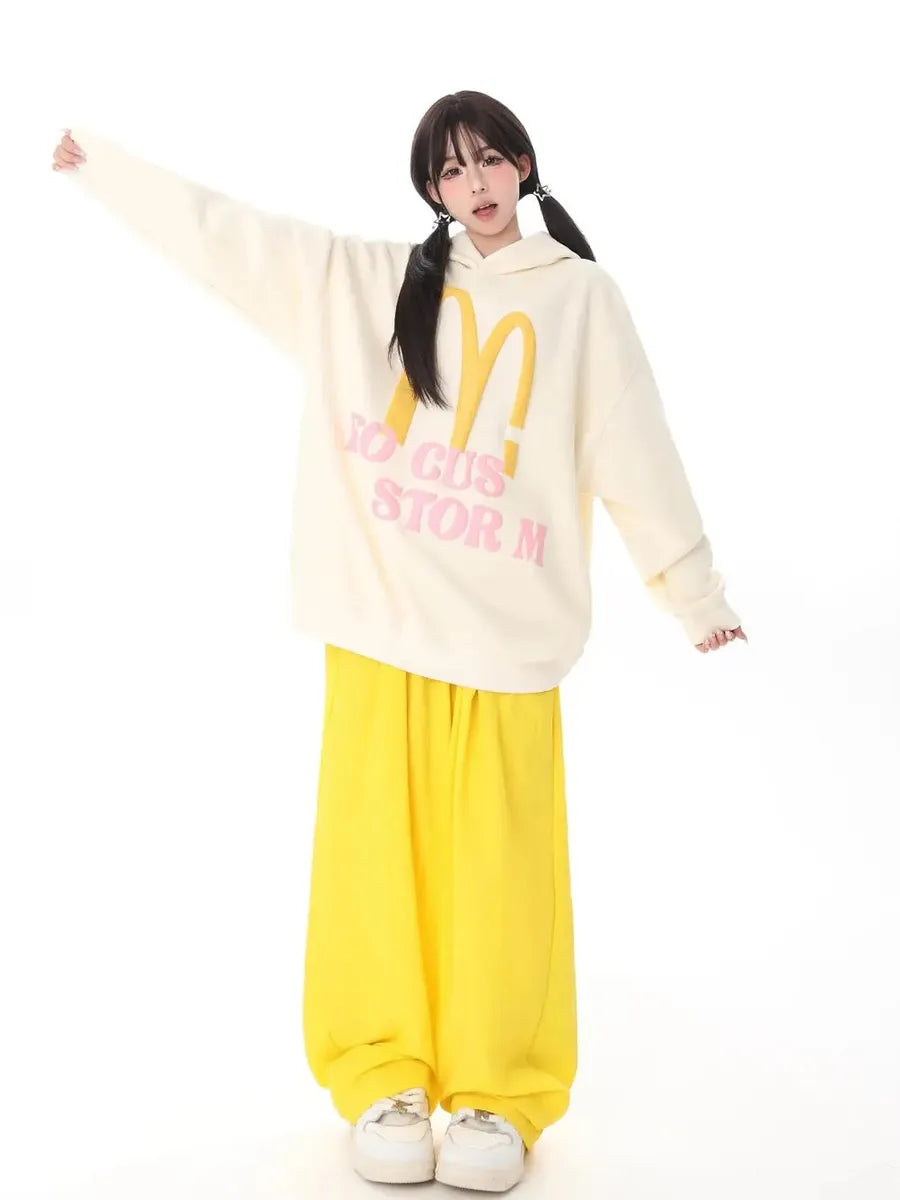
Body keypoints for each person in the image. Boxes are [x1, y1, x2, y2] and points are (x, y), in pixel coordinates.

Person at [52, 89, 747, 1194]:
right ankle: (384, 1073)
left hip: (509, 640)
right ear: (431, 189)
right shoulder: (367, 285)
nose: (476, 184)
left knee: (503, 877)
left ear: (524, 167)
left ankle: (498, 1091)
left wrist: (692, 590)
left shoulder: (581, 299)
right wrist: (105, 168)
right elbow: (232, 239)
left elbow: (635, 448)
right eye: (451, 170)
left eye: (491, 160)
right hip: (379, 628)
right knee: (374, 869)